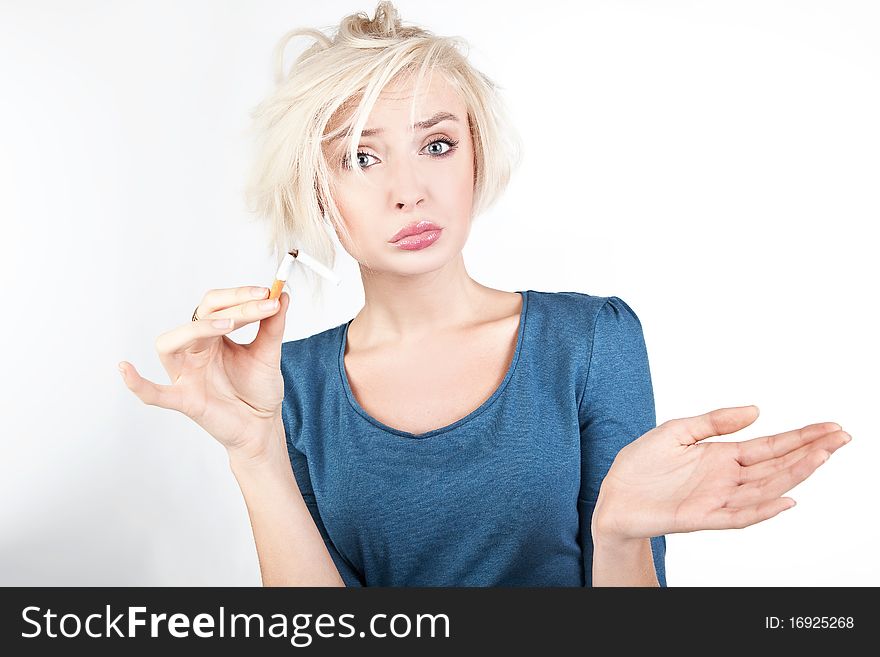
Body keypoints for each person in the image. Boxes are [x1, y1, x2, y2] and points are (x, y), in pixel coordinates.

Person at [118, 1, 851, 587]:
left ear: (476, 155)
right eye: (361, 157)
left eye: (436, 144)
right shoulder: (289, 385)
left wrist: (619, 534)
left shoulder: (591, 340)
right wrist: (254, 450)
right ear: (315, 186)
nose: (409, 191)